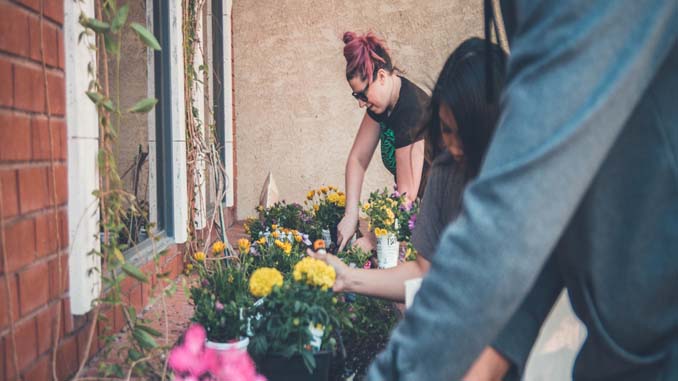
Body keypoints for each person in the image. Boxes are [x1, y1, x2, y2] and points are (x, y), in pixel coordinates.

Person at [362, 0, 678, 380]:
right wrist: (495, 357)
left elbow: (512, 215)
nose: (452, 147)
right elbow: (542, 233)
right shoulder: (449, 171)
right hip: (620, 351)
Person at [312, 38, 512, 381]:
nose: (450, 148)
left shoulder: (514, 185)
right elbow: (423, 271)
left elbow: (405, 197)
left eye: (457, 132)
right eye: (444, 132)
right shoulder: (447, 172)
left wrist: (372, 238)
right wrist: (348, 275)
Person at [336, 31, 429, 252]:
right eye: (356, 96)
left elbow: (406, 198)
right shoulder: (382, 105)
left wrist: (370, 239)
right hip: (423, 211)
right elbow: (357, 159)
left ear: (382, 77)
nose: (360, 103)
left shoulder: (412, 112)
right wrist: (350, 216)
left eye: (362, 94)